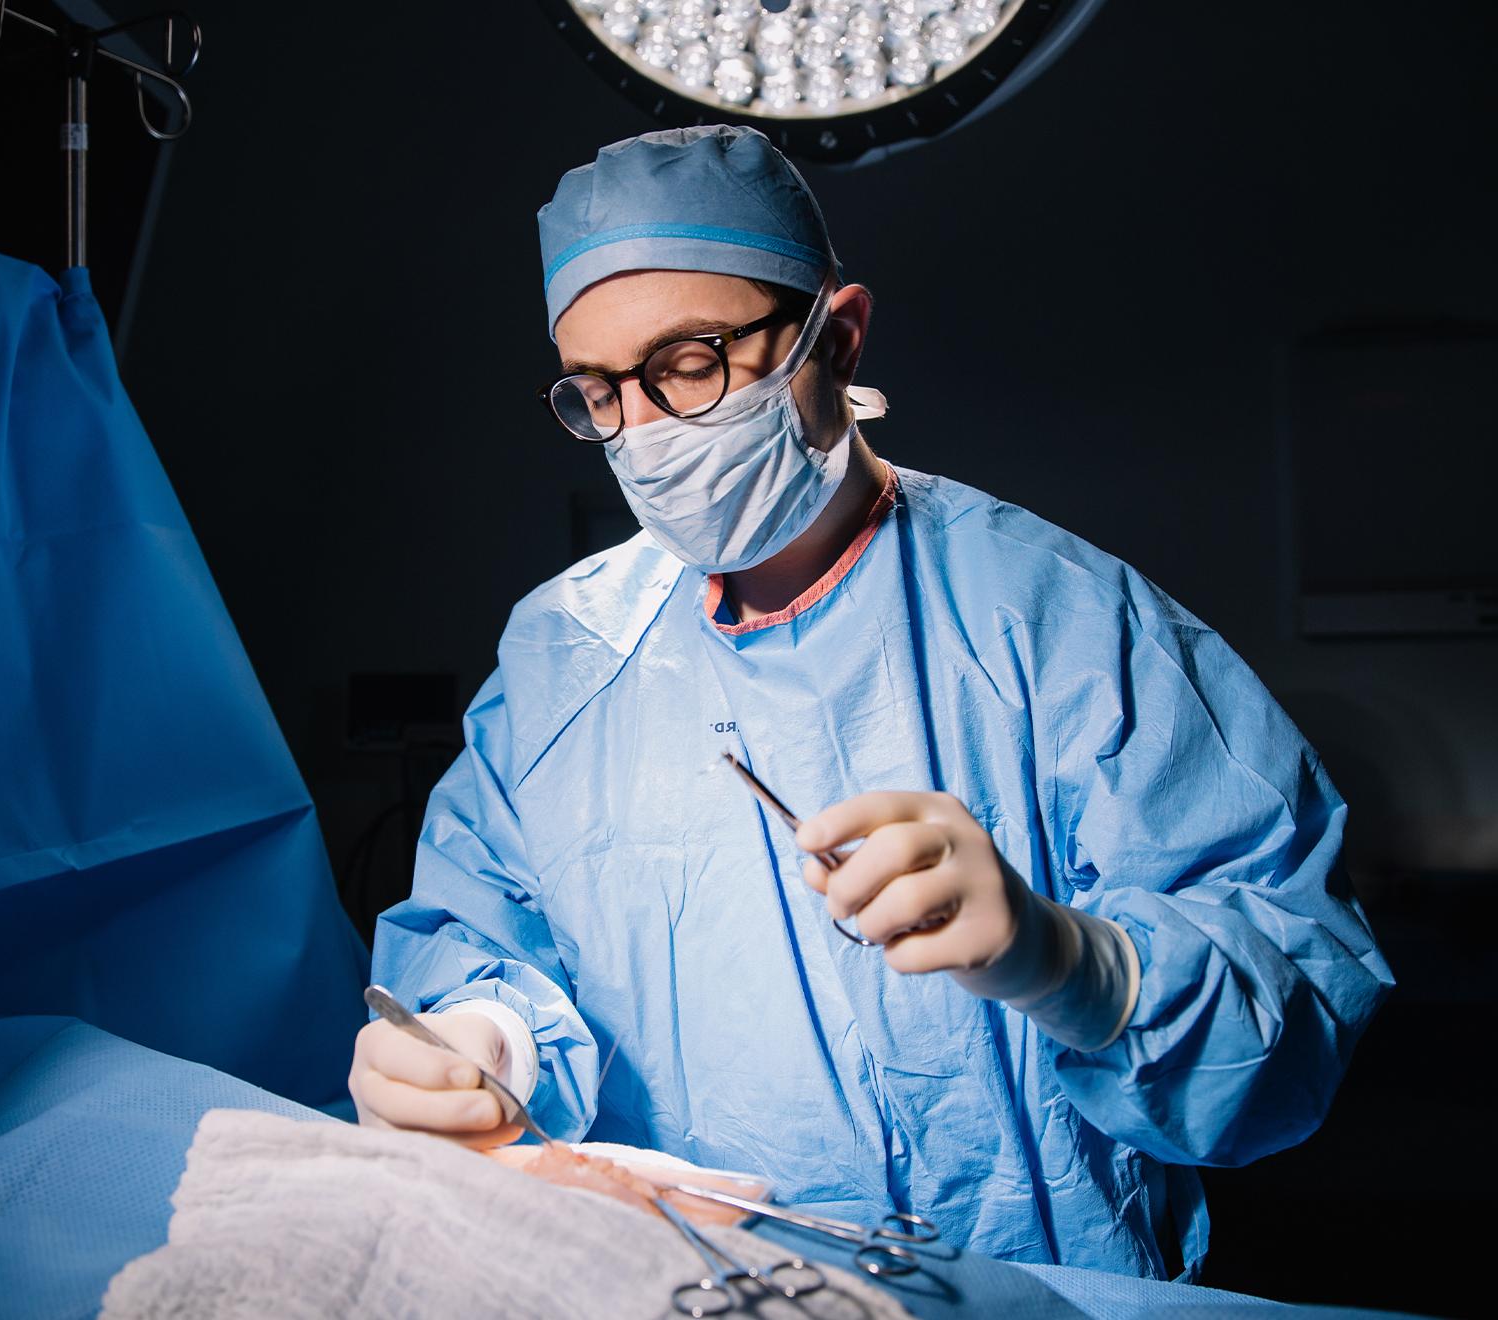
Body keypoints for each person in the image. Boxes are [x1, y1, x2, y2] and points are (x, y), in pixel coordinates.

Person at [351, 124, 1392, 1279]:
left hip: (1025, 1288)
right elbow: (486, 934)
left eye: (689, 364)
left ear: (834, 338)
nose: (642, 434)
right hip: (686, 1288)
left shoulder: (1060, 623)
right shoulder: (566, 649)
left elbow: (1289, 1019)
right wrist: (481, 1037)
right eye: (598, 392)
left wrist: (1075, 965)